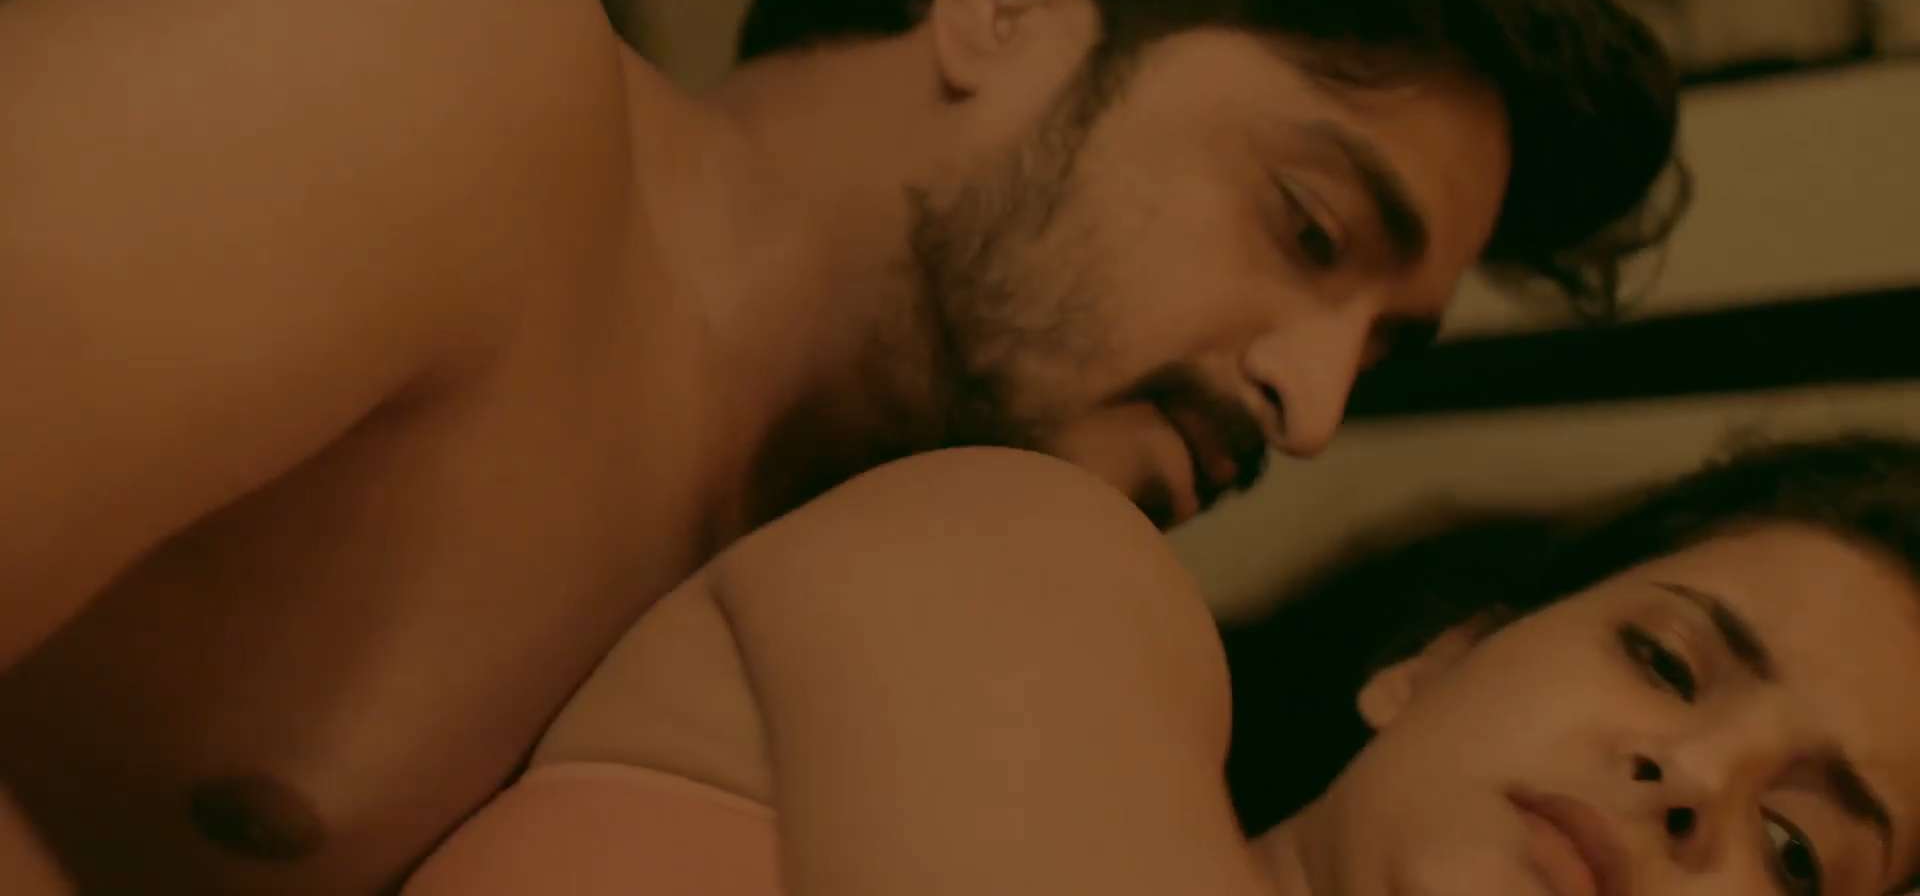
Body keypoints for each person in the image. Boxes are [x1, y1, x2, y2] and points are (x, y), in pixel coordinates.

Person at [0, 0, 1679, 890]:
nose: (1308, 409)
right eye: (1308, 229)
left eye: (1379, 358)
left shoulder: (851, 627)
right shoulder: (446, 68)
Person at [405, 433, 1920, 895]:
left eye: (1796, 854)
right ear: (1435, 659)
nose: (1694, 780)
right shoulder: (1024, 564)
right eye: (1665, 661)